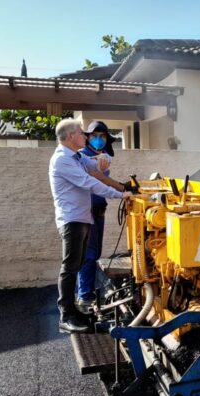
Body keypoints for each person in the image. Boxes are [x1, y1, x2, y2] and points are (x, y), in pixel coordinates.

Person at [48, 118, 131, 333]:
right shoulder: (62, 160)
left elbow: (97, 166)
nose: (86, 137)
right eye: (81, 133)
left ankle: (75, 310)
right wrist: (120, 194)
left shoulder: (76, 157)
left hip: (82, 218)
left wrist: (104, 159)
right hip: (72, 220)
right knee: (70, 267)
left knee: (78, 263)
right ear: (69, 137)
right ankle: (65, 317)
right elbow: (90, 183)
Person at [76, 121, 119, 313]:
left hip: (99, 210)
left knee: (94, 254)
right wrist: (122, 189)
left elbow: (105, 165)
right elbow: (98, 175)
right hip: (88, 211)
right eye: (95, 135)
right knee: (89, 255)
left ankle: (89, 292)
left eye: (102, 136)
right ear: (88, 137)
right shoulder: (84, 157)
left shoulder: (103, 157)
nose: (99, 139)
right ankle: (85, 297)